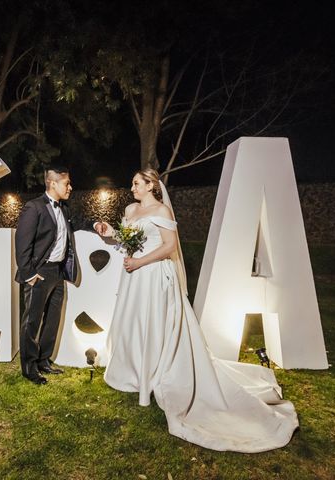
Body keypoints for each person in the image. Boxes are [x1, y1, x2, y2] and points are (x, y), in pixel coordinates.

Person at [95, 168, 299, 452]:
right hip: (133, 279)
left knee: (154, 325)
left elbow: (169, 247)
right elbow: (126, 240)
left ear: (151, 186)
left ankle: (155, 373)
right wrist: (109, 232)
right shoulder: (130, 209)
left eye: (136, 184)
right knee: (133, 324)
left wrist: (140, 263)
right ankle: (131, 370)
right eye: (132, 184)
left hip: (154, 276)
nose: (132, 188)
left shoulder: (163, 212)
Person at [14, 165, 104, 385]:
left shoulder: (64, 208)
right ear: (52, 183)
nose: (70, 187)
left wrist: (96, 224)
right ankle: (28, 368)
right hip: (39, 273)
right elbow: (22, 244)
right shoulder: (33, 208)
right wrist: (29, 274)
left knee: (52, 320)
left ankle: (44, 360)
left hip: (58, 272)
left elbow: (79, 222)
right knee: (32, 321)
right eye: (67, 183)